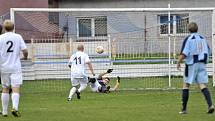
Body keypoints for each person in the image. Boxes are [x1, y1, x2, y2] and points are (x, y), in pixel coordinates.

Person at [177, 22, 214, 114]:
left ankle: (184, 109)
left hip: (192, 64)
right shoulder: (203, 38)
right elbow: (208, 51)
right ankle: (210, 105)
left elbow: (185, 53)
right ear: (197, 29)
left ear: (188, 30)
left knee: (186, 85)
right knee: (202, 85)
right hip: (202, 64)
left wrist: (178, 62)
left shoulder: (188, 39)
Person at [0, 20, 28, 117]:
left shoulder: (0, 38)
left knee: (5, 88)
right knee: (15, 88)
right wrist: (25, 57)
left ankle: (4, 112)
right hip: (15, 66)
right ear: (13, 27)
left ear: (4, 28)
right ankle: (15, 108)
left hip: (3, 66)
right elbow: (25, 50)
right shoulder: (18, 37)